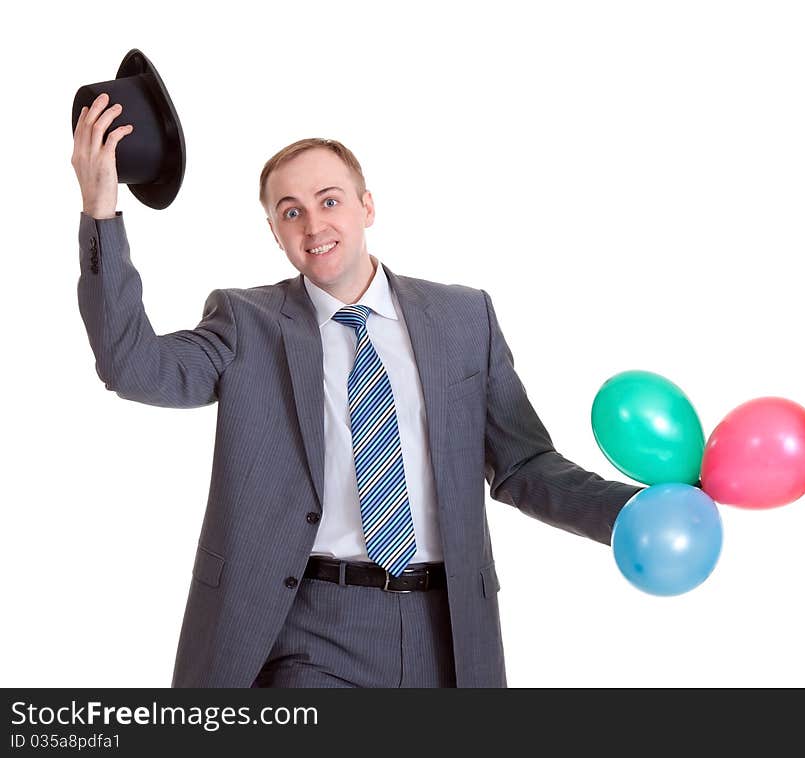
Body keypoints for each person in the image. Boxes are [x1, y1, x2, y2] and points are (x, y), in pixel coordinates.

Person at [72, 92, 644, 688]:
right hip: (306, 626)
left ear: (367, 206)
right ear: (274, 232)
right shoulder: (247, 323)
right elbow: (134, 367)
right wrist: (100, 210)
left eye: (329, 201)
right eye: (290, 212)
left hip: (447, 626)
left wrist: (632, 512)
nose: (314, 225)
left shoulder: (463, 318)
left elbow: (524, 465)